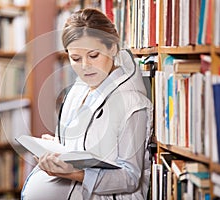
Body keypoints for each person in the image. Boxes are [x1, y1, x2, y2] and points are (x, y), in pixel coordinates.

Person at [21, 8, 153, 200]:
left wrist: (72, 174)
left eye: (93, 55)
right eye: (75, 58)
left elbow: (130, 177)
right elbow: (87, 146)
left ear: (112, 48)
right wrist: (57, 146)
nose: (85, 66)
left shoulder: (132, 102)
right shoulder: (79, 88)